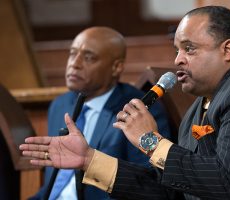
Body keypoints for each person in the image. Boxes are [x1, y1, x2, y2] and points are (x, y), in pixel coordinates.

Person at [20, 6, 230, 200]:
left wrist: (150, 141)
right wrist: (90, 160)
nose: (178, 59)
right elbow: (172, 191)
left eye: (189, 49)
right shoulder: (201, 103)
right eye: (176, 49)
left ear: (227, 50)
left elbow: (228, 185)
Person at [29, 26, 172, 200]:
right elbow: (53, 183)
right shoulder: (60, 105)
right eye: (73, 53)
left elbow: (149, 184)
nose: (75, 63)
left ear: (116, 67)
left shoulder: (138, 110)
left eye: (88, 57)